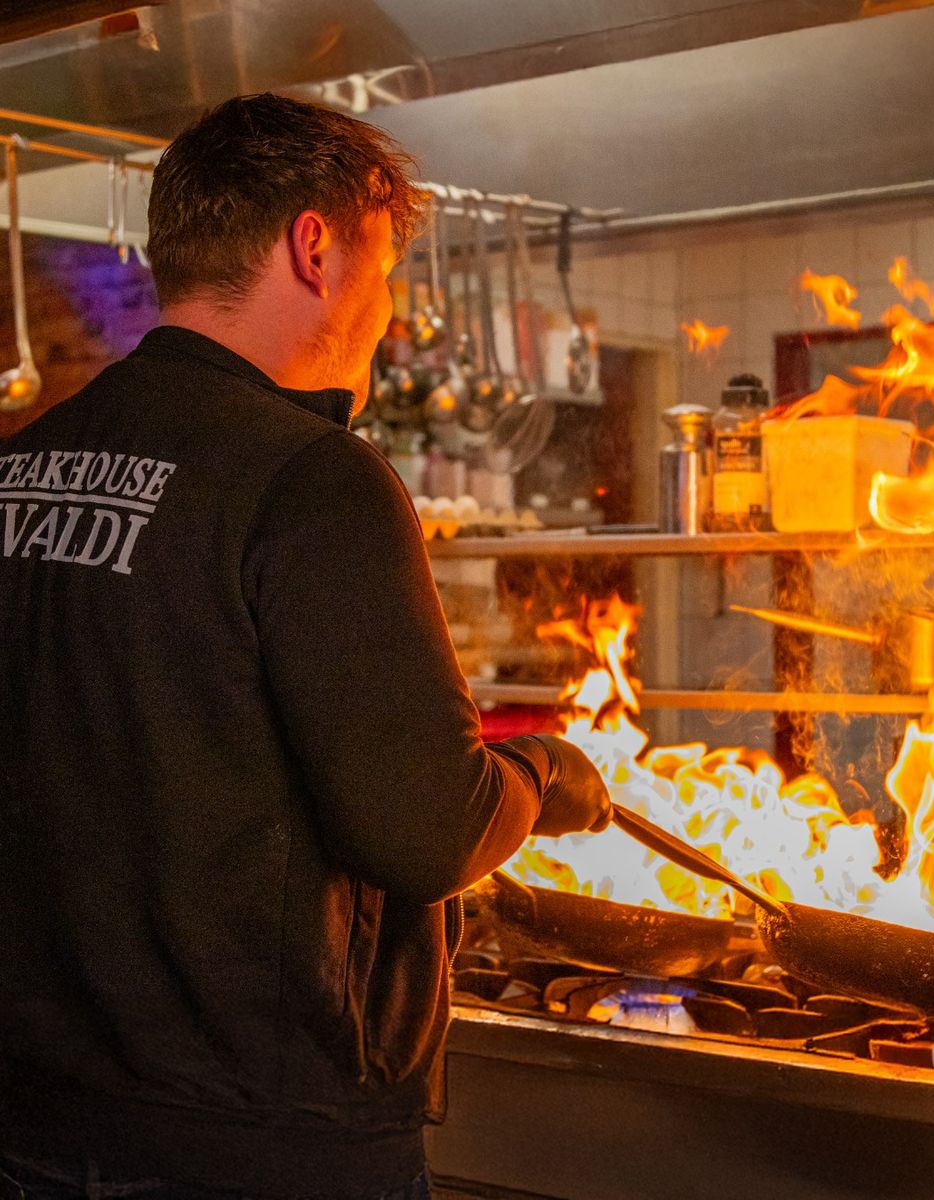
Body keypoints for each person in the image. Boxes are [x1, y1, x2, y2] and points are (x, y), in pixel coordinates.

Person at [0, 94, 611, 1200]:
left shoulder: (23, 463)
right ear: (316, 247)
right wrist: (546, 775)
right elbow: (428, 827)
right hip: (256, 1138)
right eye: (386, 272)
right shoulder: (312, 478)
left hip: (34, 1117)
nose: (385, 313)